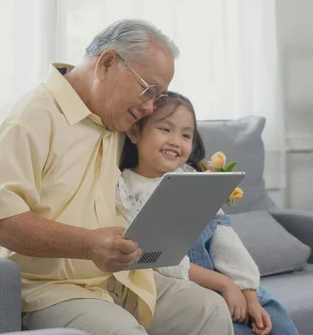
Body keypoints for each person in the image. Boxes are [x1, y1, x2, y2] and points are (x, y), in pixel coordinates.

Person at [0, 19, 233, 335]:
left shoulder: (113, 121)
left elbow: (162, 157)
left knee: (209, 310)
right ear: (106, 63)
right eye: (148, 90)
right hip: (45, 290)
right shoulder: (24, 119)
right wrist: (89, 243)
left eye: (158, 97)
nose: (149, 107)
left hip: (117, 278)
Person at [116, 91, 300, 335]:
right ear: (135, 132)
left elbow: (225, 239)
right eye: (165, 129)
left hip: (227, 281)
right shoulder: (127, 189)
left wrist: (248, 292)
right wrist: (224, 285)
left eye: (185, 134)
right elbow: (162, 261)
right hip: (191, 289)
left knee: (275, 317)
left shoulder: (194, 179)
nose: (175, 141)